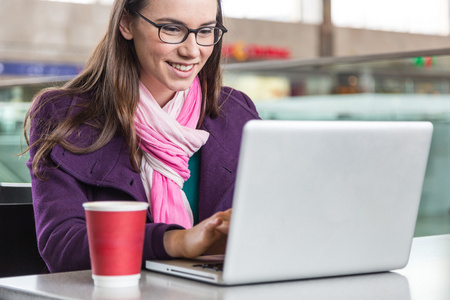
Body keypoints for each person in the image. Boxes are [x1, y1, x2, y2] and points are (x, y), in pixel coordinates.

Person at [23, 0, 259, 273]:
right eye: (171, 29)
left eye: (205, 31)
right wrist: (175, 242)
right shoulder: (64, 115)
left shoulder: (236, 112)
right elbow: (62, 246)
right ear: (126, 24)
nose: (192, 50)